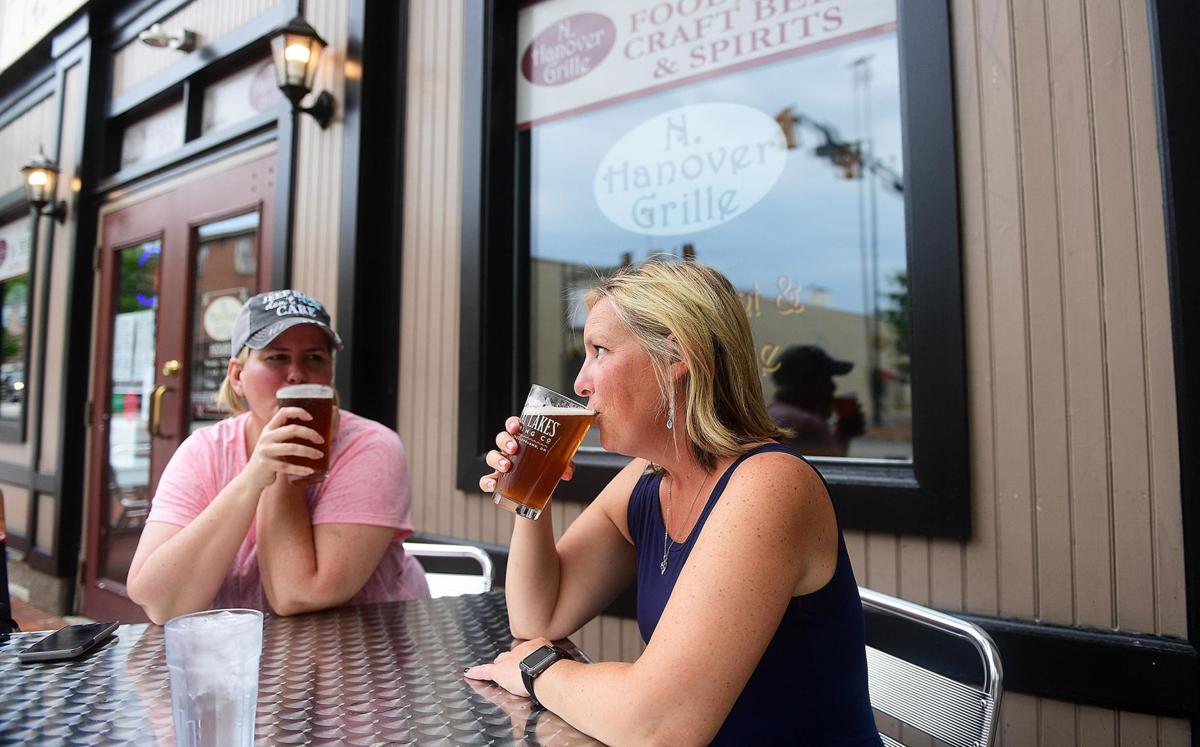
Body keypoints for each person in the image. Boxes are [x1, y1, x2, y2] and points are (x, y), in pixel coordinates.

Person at [466, 260, 881, 745]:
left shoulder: (769, 485)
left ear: (676, 354)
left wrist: (536, 670)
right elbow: (539, 615)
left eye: (599, 351)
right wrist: (530, 497)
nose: (580, 382)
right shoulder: (648, 479)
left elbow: (658, 726)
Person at [127, 290, 428, 625]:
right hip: (237, 662)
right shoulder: (205, 451)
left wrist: (284, 468)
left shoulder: (371, 447)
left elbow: (297, 594)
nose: (296, 374)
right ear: (237, 376)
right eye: (276, 358)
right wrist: (253, 477)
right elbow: (158, 602)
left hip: (363, 659)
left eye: (314, 358)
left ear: (329, 373)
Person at [768, 344, 866, 457]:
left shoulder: (770, 413)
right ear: (807, 383)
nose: (833, 386)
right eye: (826, 378)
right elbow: (834, 469)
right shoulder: (808, 425)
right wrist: (845, 433)